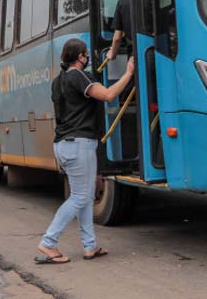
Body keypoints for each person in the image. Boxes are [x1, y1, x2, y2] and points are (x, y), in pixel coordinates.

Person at [36, 38, 134, 264]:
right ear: (80, 56)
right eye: (86, 53)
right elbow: (108, 95)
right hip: (78, 144)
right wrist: (128, 74)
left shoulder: (58, 81)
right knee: (80, 197)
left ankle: (90, 246)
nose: (88, 57)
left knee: (85, 197)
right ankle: (48, 242)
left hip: (64, 144)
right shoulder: (78, 76)